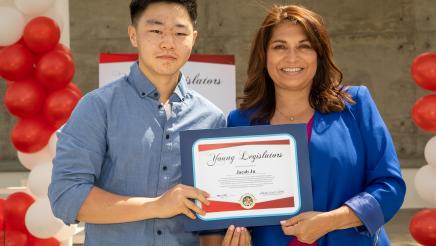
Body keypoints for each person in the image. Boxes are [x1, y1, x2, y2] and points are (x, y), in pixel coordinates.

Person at [48, 1, 237, 245]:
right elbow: (66, 196)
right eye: (156, 31)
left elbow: (211, 213)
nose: (168, 43)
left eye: (180, 33)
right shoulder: (97, 107)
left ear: (194, 38)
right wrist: (157, 206)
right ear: (133, 35)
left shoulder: (211, 119)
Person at [222, 4, 405, 246]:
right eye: (279, 47)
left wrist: (331, 221)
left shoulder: (355, 105)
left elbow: (390, 186)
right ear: (263, 55)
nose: (292, 57)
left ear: (318, 54)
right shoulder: (240, 122)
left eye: (304, 46)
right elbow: (235, 205)